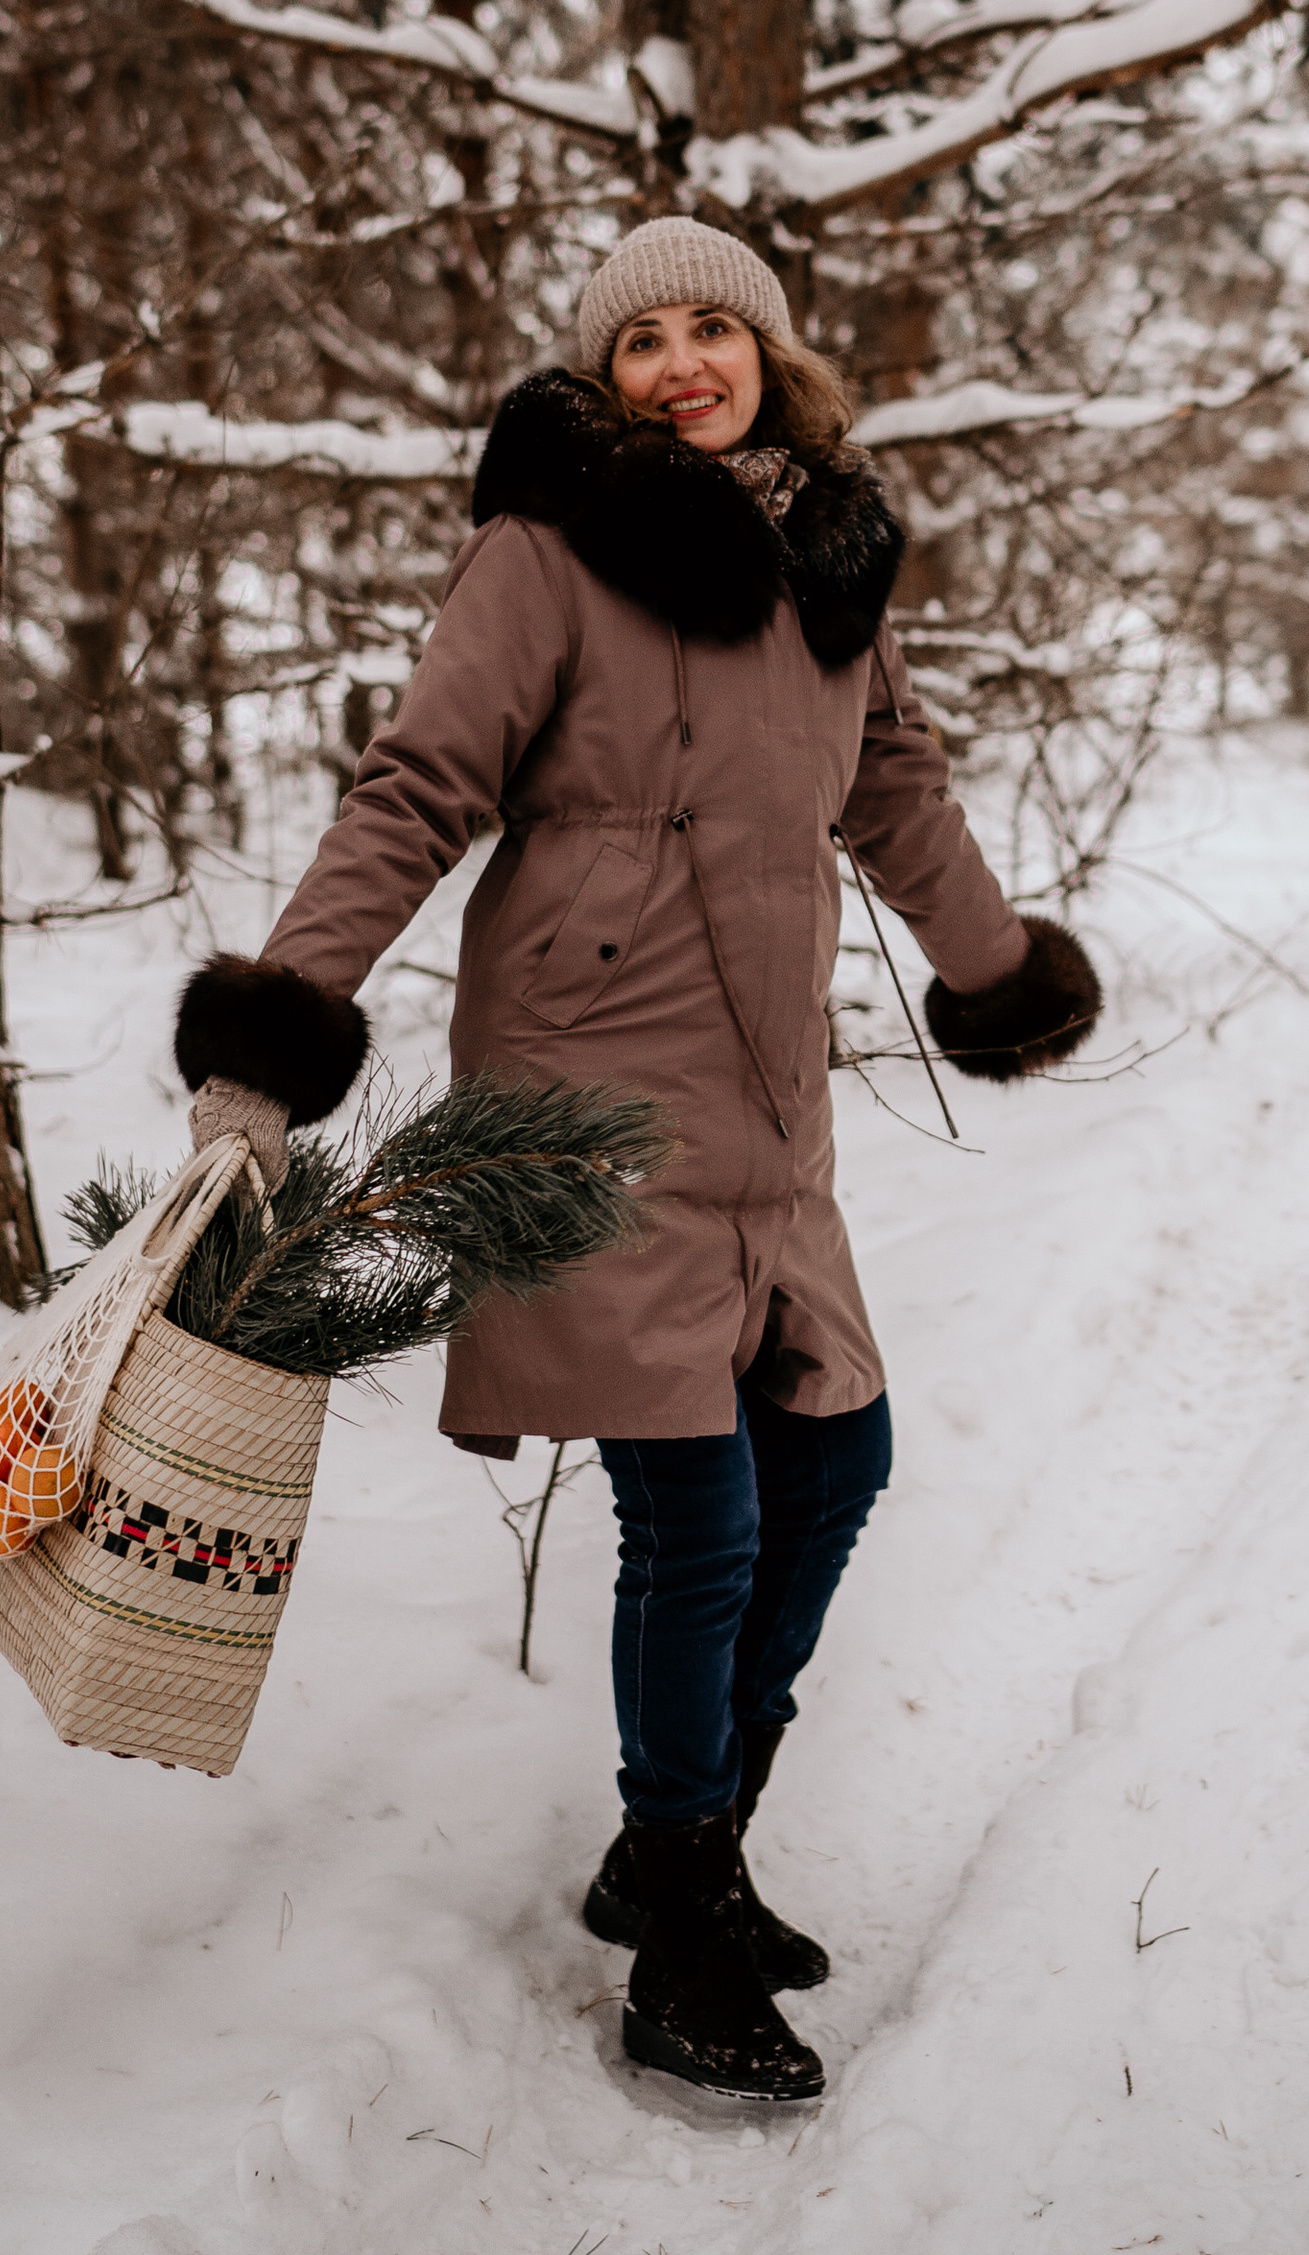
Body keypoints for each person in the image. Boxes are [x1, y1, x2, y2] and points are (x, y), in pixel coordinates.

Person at [172, 217, 1100, 2104]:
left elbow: (897, 787)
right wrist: (281, 1028)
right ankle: (682, 1928)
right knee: (699, 1517)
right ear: (603, 381)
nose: (686, 363)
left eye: (716, 329)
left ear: (771, 353)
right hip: (586, 1088)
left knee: (838, 1454)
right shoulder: (549, 554)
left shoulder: (832, 563)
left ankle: (682, 1837)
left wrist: (998, 975)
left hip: (769, 1105)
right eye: (643, 340)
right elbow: (418, 783)